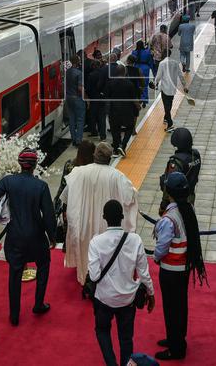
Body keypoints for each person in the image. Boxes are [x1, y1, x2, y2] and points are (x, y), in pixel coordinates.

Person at [0, 149, 58, 326]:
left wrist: (4, 216)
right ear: (34, 166)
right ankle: (39, 304)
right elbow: (48, 215)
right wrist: (53, 237)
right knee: (43, 266)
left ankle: (14, 315)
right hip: (36, 236)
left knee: (15, 273)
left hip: (15, 236)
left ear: (19, 163)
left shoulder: (8, 181)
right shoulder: (41, 186)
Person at [88, 199, 156, 366]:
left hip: (104, 298)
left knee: (102, 331)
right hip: (127, 299)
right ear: (122, 217)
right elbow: (143, 272)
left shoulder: (96, 242)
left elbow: (95, 276)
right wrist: (151, 293)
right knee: (126, 338)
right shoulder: (135, 240)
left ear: (104, 217)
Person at [61, 142, 139, 285]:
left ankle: (86, 278)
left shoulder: (78, 172)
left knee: (86, 252)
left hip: (83, 223)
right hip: (106, 225)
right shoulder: (117, 176)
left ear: (94, 155)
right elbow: (130, 197)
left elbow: (66, 196)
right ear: (109, 158)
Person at [153, 172, 207, 361]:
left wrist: (156, 258)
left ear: (169, 193)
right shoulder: (187, 208)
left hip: (170, 270)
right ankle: (177, 339)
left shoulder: (169, 218)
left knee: (171, 308)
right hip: (184, 268)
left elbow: (162, 246)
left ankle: (175, 348)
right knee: (180, 306)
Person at [54, 141, 96, 243]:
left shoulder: (69, 165)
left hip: (70, 204)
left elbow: (63, 185)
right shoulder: (94, 169)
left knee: (70, 231)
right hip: (87, 205)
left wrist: (56, 203)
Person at [158, 128, 201, 213]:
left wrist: (163, 206)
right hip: (190, 197)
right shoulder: (196, 155)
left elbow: (169, 187)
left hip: (176, 203)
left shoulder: (176, 162)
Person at [107, 64, 140, 156]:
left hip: (114, 110)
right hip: (126, 111)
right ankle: (123, 145)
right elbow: (134, 99)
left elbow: (107, 97)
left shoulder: (111, 83)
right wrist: (138, 106)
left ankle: (115, 150)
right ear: (125, 72)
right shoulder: (129, 84)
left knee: (115, 129)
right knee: (130, 127)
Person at [152, 49, 185, 131]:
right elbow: (180, 75)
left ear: (163, 54)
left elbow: (158, 76)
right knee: (169, 104)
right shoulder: (175, 63)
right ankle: (166, 118)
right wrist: (185, 86)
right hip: (173, 88)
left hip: (165, 88)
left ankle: (170, 124)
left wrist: (155, 83)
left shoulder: (162, 63)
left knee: (166, 105)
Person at [86, 49, 108, 141]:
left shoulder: (91, 75)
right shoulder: (104, 74)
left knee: (93, 116)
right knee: (102, 117)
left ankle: (94, 132)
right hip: (102, 98)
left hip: (94, 99)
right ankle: (103, 135)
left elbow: (88, 88)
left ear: (93, 66)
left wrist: (89, 97)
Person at [65, 54, 86, 147]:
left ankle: (73, 139)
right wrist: (87, 98)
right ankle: (78, 140)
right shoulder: (79, 73)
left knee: (71, 119)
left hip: (68, 98)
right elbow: (80, 88)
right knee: (80, 119)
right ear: (77, 62)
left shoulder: (67, 72)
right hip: (77, 98)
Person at [130, 41, 154, 106]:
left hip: (136, 68)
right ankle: (144, 100)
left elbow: (131, 61)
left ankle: (139, 98)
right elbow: (150, 61)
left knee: (137, 84)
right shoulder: (147, 52)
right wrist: (152, 69)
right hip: (145, 68)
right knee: (145, 84)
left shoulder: (134, 52)